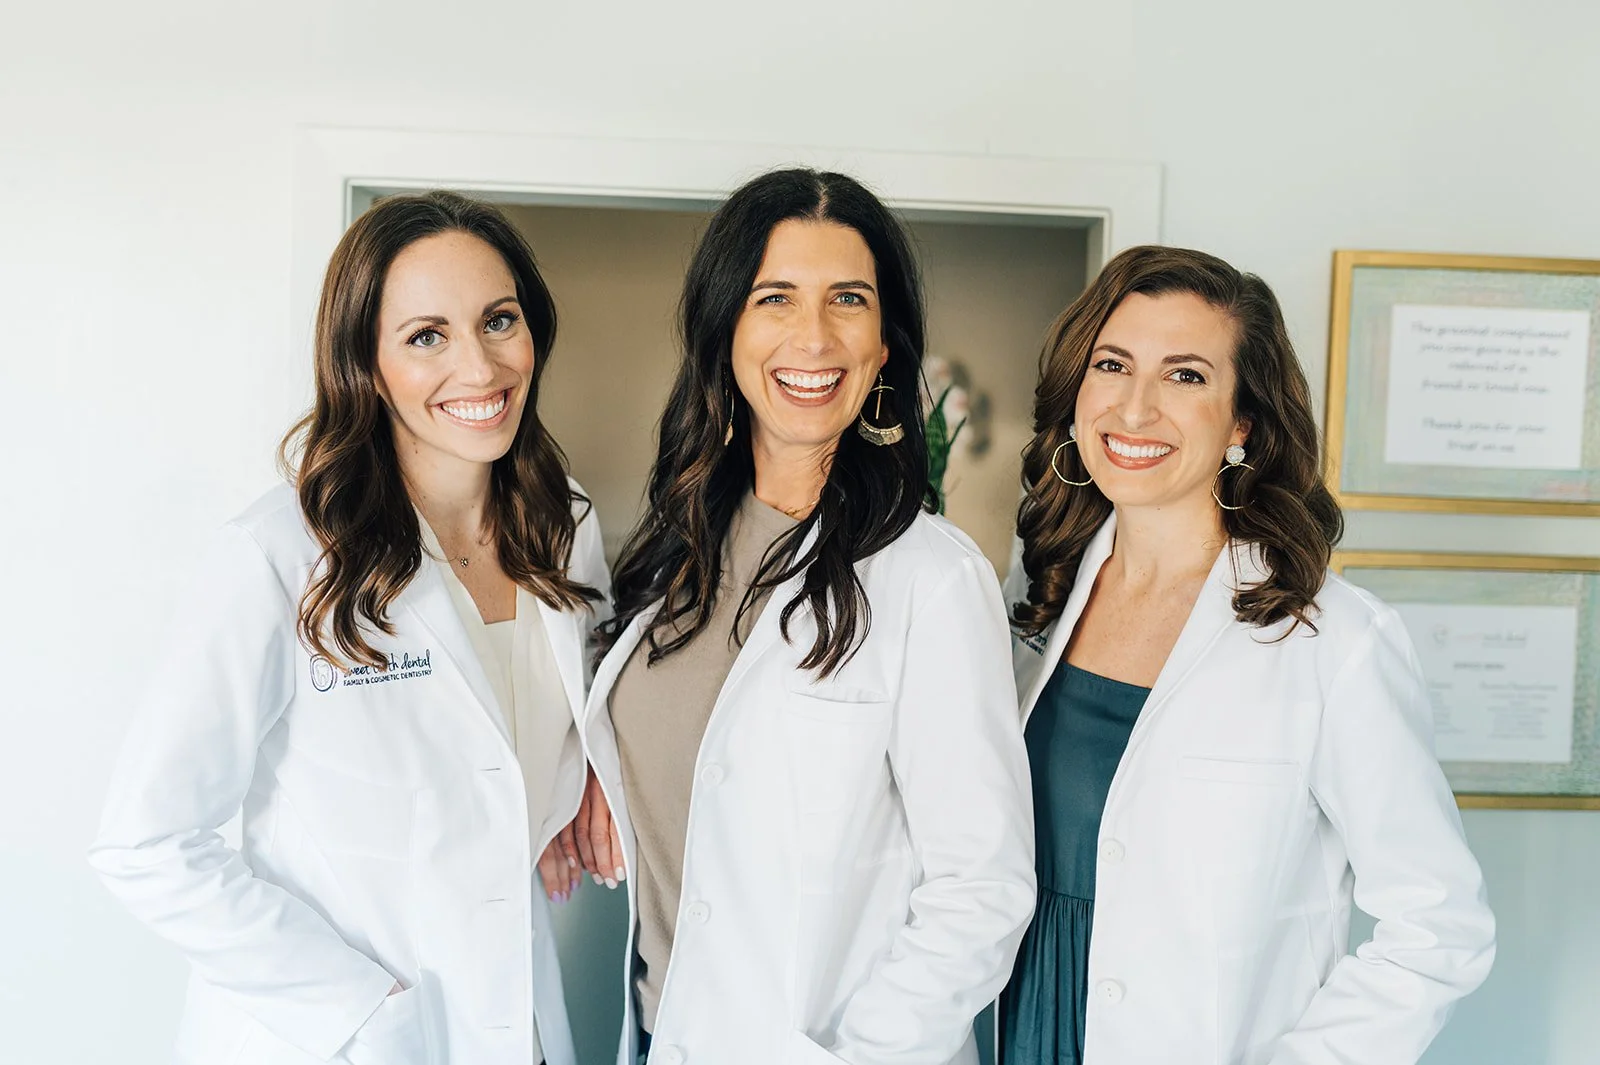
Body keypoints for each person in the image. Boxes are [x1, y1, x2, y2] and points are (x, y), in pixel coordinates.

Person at [88, 191, 609, 1065]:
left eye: (499, 320)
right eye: (426, 336)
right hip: (340, 1036)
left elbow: (542, 730)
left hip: (511, 1021)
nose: (479, 368)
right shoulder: (278, 556)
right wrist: (360, 1010)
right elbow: (145, 842)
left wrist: (592, 774)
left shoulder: (569, 529)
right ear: (364, 363)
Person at [574, 167, 1035, 1065]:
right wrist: (594, 768)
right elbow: (687, 752)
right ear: (726, 328)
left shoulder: (930, 579)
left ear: (886, 339)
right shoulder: (675, 546)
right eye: (774, 297)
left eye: (848, 300)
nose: (814, 337)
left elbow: (982, 889)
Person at [999, 244, 1496, 1064]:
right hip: (1012, 1027)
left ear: (1243, 422)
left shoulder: (1333, 639)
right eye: (1112, 364)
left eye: (1185, 376)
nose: (1134, 407)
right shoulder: (1034, 589)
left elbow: (1440, 926)